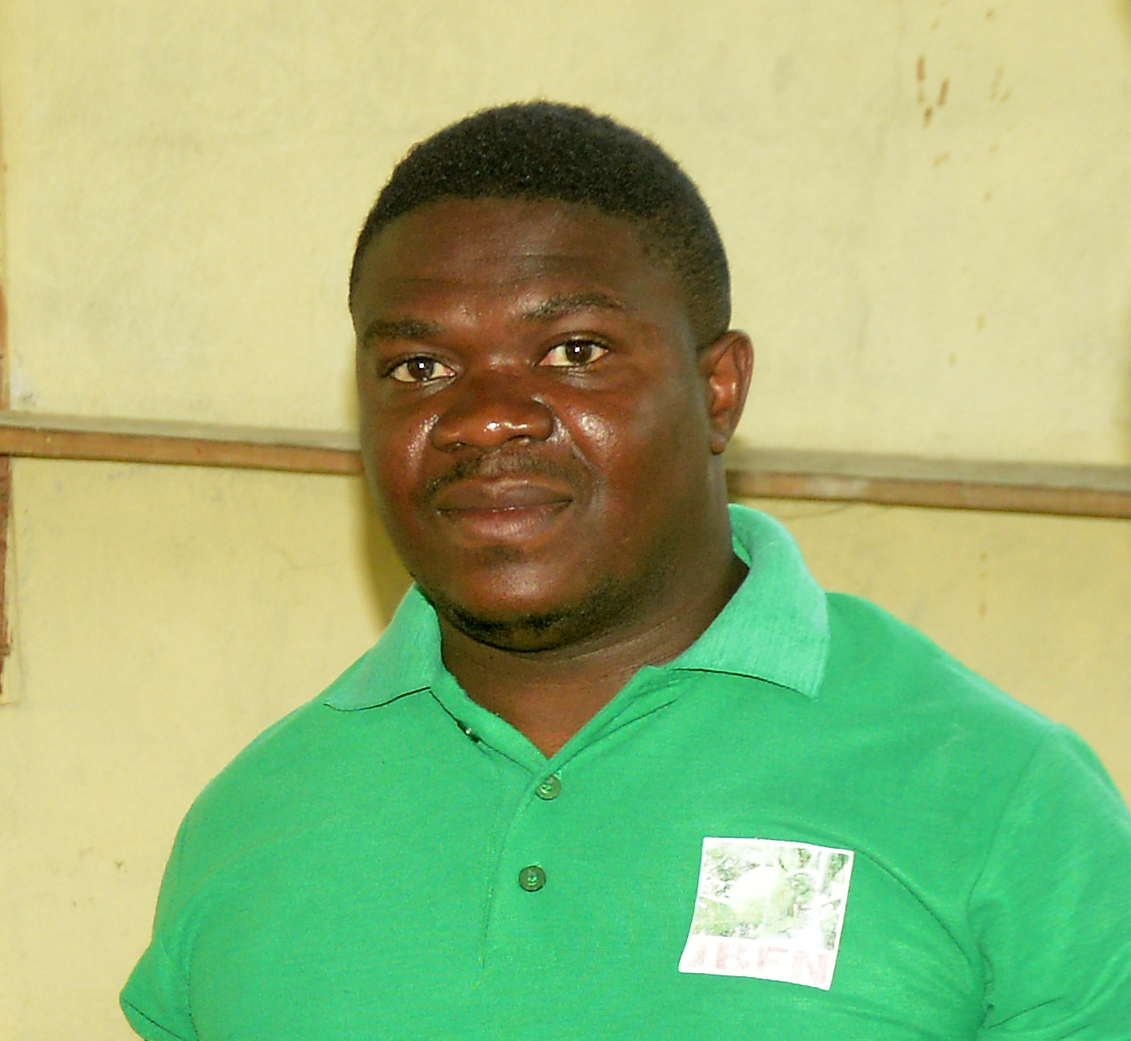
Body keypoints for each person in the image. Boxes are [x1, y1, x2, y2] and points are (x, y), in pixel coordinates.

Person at [121, 102, 1131, 1040]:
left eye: (573, 350)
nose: (485, 416)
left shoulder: (999, 799)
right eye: (418, 369)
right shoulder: (253, 824)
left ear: (719, 389)